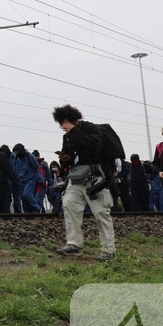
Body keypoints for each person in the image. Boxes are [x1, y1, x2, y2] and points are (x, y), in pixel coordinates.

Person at [52, 104, 116, 262]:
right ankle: (74, 244)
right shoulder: (66, 137)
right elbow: (68, 158)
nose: (63, 127)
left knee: (101, 212)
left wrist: (74, 131)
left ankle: (109, 250)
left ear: (72, 120)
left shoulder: (92, 129)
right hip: (76, 177)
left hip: (95, 178)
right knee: (68, 204)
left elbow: (93, 146)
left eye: (65, 123)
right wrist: (64, 159)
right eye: (61, 125)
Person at [10, 143, 42, 212]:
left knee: (27, 195)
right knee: (23, 198)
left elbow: (36, 167)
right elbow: (15, 168)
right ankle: (27, 213)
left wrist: (40, 179)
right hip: (21, 180)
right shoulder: (16, 158)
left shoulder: (29, 156)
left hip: (30, 179)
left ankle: (37, 208)